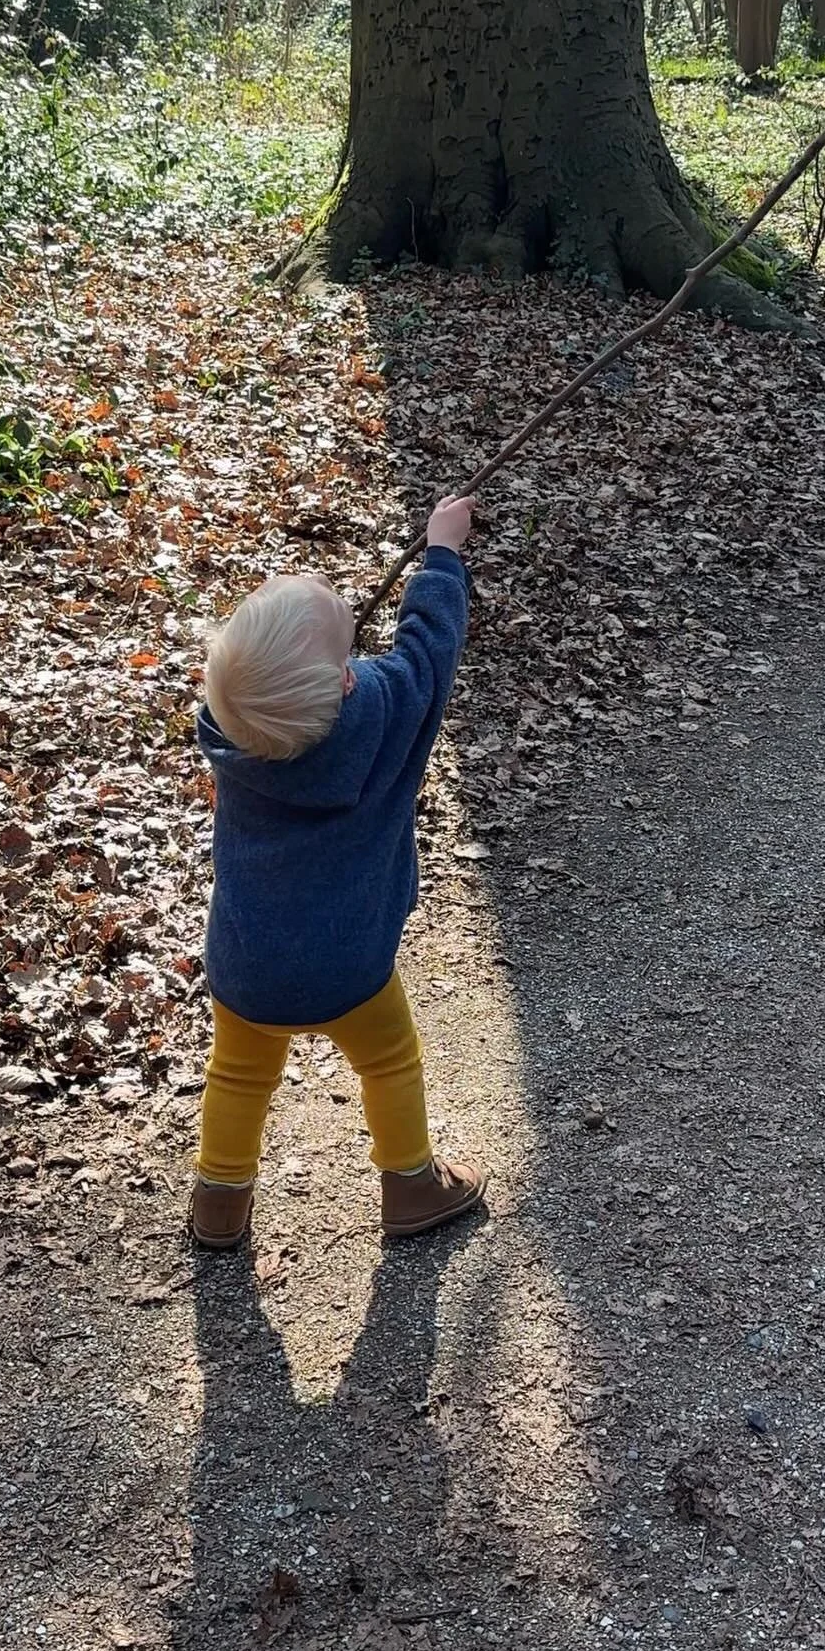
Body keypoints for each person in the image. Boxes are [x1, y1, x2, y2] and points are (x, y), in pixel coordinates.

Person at [191, 495, 487, 1250]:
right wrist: (441, 557)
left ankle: (219, 1206)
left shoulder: (231, 732)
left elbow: (292, 675)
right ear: (348, 683)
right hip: (351, 965)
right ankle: (412, 1186)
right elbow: (427, 657)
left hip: (247, 964)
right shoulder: (379, 717)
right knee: (389, 1061)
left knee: (238, 1075)